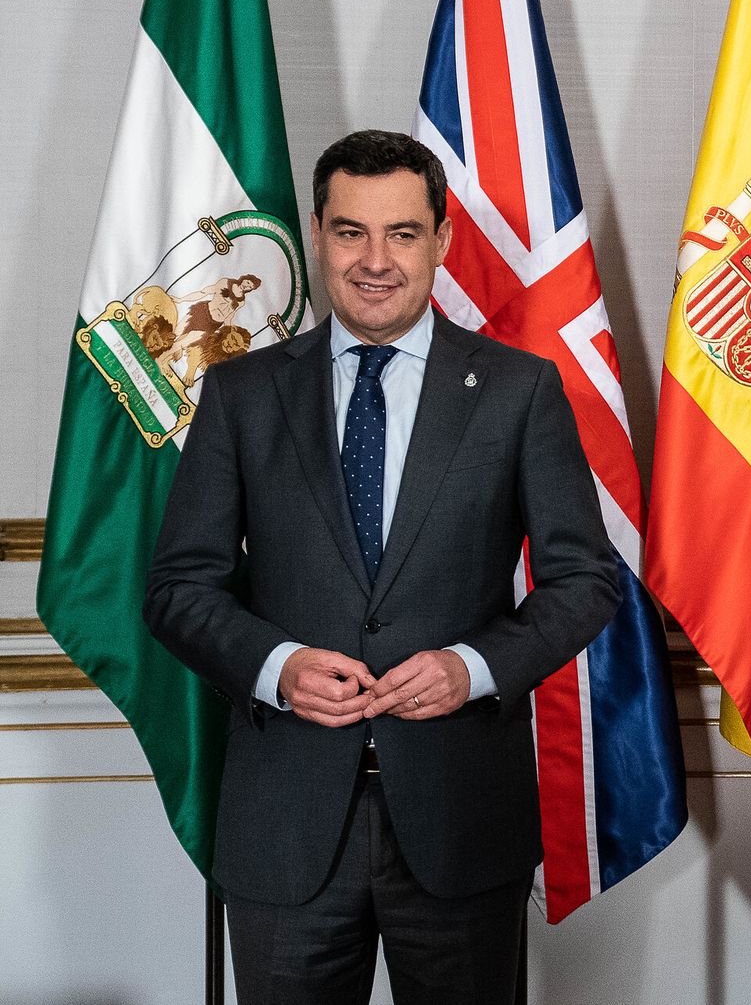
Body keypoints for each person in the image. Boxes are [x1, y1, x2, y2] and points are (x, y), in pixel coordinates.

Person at [145, 129, 618, 1004]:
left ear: (441, 239)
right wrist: (277, 668)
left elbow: (587, 580)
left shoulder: (519, 391)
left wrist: (471, 668)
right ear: (317, 232)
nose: (375, 260)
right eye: (351, 232)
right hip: (285, 821)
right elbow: (178, 587)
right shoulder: (242, 394)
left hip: (460, 817)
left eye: (401, 232)